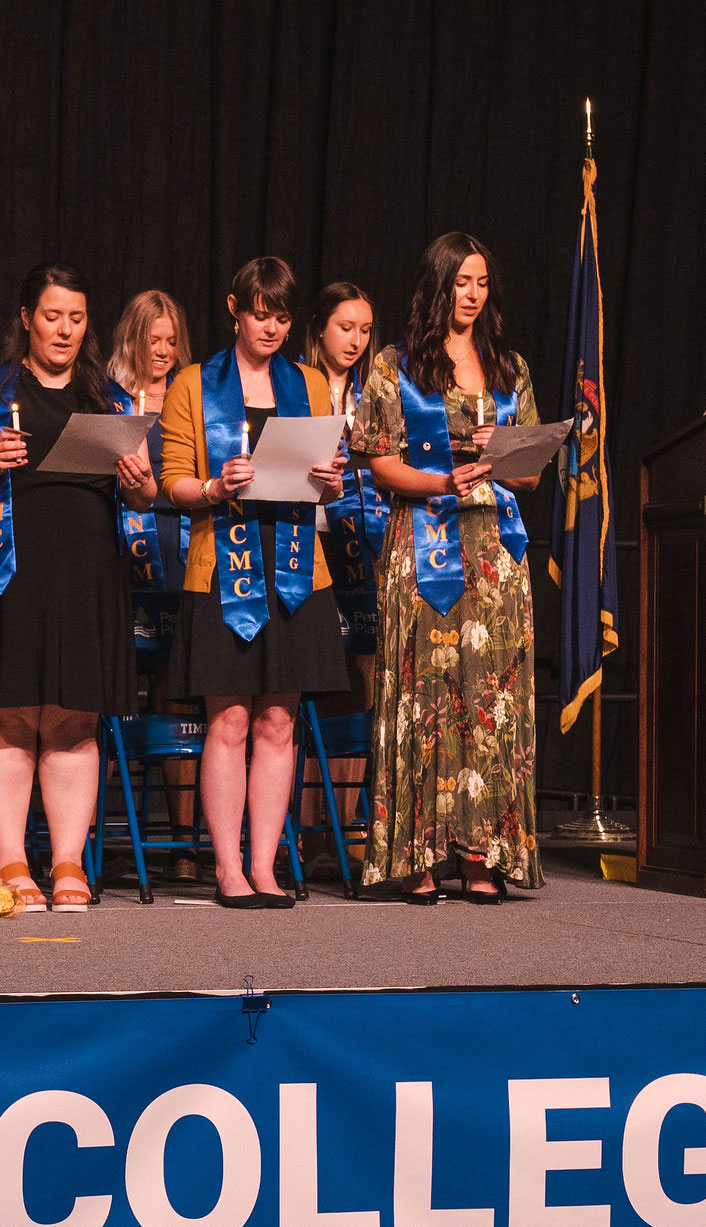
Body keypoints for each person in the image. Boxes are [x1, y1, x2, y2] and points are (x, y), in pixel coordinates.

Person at [0, 263, 156, 909]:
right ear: (28, 317)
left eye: (76, 317)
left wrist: (140, 478)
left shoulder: (108, 396)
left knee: (73, 717)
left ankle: (67, 863)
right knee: (6, 716)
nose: (64, 329)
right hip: (7, 569)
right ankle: (11, 862)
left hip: (85, 570)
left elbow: (146, 492)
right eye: (52, 315)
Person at [351, 231, 545, 904]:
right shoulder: (395, 363)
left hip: (495, 549)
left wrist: (509, 449)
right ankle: (418, 853)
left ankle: (482, 850)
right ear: (438, 285)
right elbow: (375, 460)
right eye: (461, 282)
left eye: (482, 282)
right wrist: (439, 482)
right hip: (427, 534)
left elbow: (530, 471)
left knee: (486, 699)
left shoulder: (510, 366)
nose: (472, 294)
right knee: (426, 692)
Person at [157, 257, 347, 909]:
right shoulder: (192, 383)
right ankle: (228, 867)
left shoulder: (312, 385)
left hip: (296, 566)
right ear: (236, 307)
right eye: (260, 313)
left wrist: (333, 483)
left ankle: (265, 865)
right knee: (231, 720)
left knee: (278, 721)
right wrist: (213, 486)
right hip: (223, 566)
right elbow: (173, 479)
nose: (271, 327)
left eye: (283, 316)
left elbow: (322, 471)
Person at [105, 288, 199, 876]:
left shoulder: (193, 397)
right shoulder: (106, 396)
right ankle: (95, 842)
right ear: (131, 339)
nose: (162, 351)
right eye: (152, 340)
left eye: (171, 340)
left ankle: (184, 842)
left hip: (182, 549)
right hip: (121, 553)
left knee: (176, 693)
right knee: (113, 695)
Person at [301, 282, 384, 876]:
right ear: (320, 329)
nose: (354, 340)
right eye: (344, 327)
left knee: (364, 683)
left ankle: (347, 831)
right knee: (315, 685)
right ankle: (306, 834)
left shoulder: (378, 390)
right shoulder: (296, 383)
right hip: (310, 539)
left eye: (364, 329)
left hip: (368, 544)